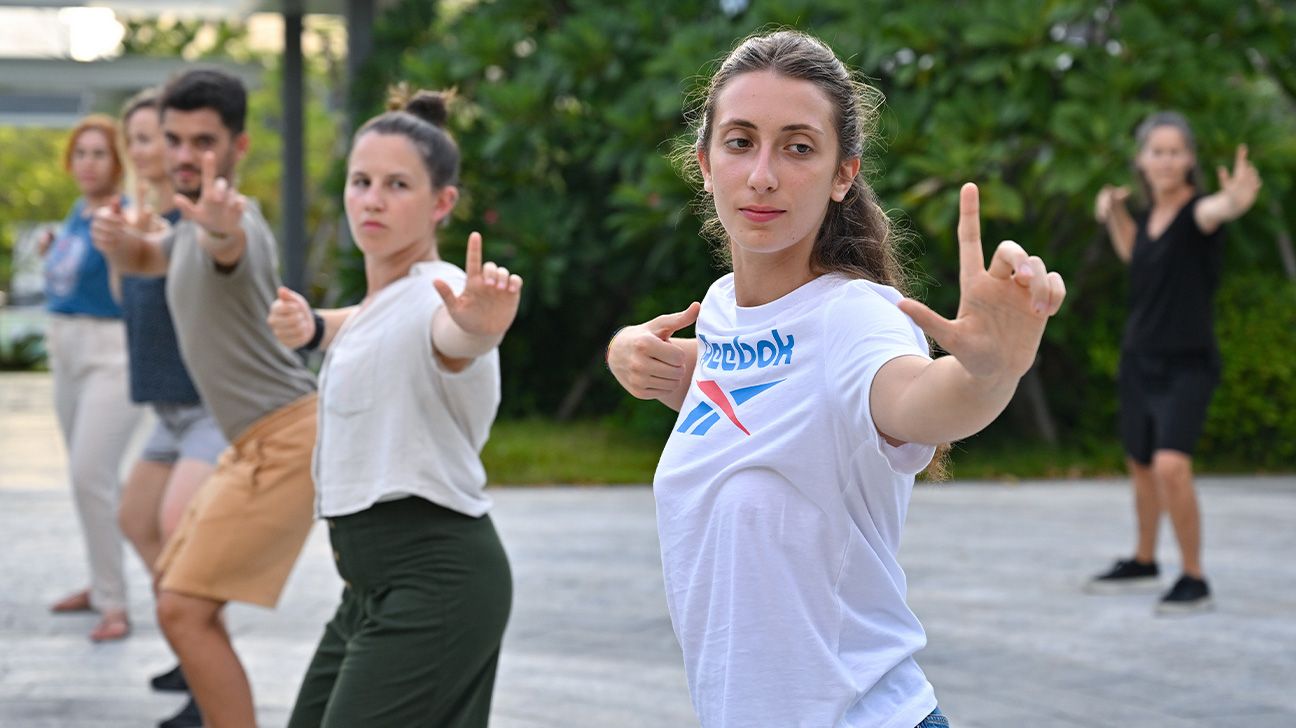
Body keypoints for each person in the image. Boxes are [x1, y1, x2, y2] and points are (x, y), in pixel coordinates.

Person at [606, 30, 1066, 728]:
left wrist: (989, 373)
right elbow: (758, 385)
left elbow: (916, 398)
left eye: (797, 147)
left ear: (842, 173)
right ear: (704, 163)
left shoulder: (857, 319)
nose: (763, 175)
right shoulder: (725, 309)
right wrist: (624, 352)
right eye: (739, 142)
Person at [266, 89, 519, 728]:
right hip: (368, 590)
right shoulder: (380, 304)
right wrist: (312, 326)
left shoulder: (446, 297)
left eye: (397, 184)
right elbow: (366, 323)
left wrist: (482, 327)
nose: (372, 198)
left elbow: (451, 337)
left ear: (442, 204)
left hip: (435, 578)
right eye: (361, 181)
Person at [90, 68, 317, 728]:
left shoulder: (228, 224)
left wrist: (218, 227)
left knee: (183, 609)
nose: (185, 155)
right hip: (254, 442)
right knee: (181, 598)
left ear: (239, 148)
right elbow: (147, 256)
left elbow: (227, 245)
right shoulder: (185, 229)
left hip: (284, 439)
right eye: (174, 138)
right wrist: (116, 239)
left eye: (204, 141)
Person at [91, 87, 227, 728]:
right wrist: (122, 245)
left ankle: (205, 671)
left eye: (161, 138)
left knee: (178, 532)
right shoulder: (140, 216)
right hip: (167, 406)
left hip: (206, 403)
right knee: (136, 518)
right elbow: (129, 296)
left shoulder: (194, 217)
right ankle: (190, 632)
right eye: (144, 140)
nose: (153, 151)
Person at [1087, 111, 1261, 614]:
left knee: (1170, 466)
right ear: (1142, 160)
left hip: (1188, 361)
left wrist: (1235, 201)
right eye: (1156, 151)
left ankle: (1194, 576)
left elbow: (1218, 210)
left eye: (1175, 151)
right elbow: (1133, 256)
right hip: (1139, 358)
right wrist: (1113, 212)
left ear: (1190, 160)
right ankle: (1145, 560)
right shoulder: (1147, 220)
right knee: (1141, 465)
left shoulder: (1196, 213)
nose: (1166, 160)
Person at [41, 114, 145, 642]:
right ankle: (100, 583)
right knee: (86, 482)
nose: (87, 162)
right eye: (80, 152)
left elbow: (128, 279)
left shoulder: (119, 215)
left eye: (99, 153)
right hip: (66, 353)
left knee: (91, 476)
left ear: (118, 161)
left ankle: (116, 606)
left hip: (110, 353)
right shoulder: (78, 214)